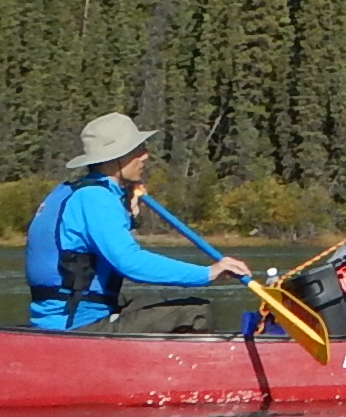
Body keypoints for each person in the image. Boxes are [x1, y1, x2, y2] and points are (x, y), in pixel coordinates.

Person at [22, 113, 251, 333]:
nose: (145, 156)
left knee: (159, 301)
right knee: (195, 312)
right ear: (115, 158)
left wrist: (129, 214)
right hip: (75, 324)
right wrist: (207, 273)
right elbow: (129, 262)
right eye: (136, 150)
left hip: (73, 313)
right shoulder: (96, 198)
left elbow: (89, 244)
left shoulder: (71, 190)